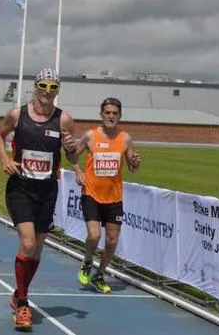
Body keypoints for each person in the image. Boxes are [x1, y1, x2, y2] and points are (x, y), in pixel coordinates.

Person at [0, 68, 81, 331]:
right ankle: (23, 304)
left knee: (37, 251)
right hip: (20, 187)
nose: (47, 92)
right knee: (28, 243)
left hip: (46, 191)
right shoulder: (17, 114)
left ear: (57, 91)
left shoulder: (64, 120)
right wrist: (6, 159)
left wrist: (73, 156)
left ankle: (18, 293)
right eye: (43, 86)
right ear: (35, 87)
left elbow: (72, 154)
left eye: (53, 87)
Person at [75, 97, 141, 293]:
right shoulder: (90, 136)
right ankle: (87, 261)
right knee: (94, 235)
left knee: (112, 240)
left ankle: (100, 274)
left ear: (120, 115)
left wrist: (136, 162)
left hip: (114, 198)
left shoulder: (125, 138)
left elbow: (132, 168)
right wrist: (78, 171)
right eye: (107, 112)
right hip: (92, 194)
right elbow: (72, 154)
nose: (111, 116)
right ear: (101, 114)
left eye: (115, 113)